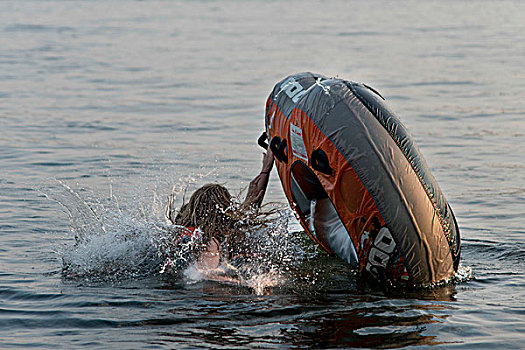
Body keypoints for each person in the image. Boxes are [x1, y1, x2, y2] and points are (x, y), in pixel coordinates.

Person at [165, 147, 275, 272]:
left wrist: (265, 171)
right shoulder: (212, 240)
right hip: (204, 286)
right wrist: (265, 170)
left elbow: (251, 205)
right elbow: (206, 275)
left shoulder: (182, 232)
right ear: (224, 210)